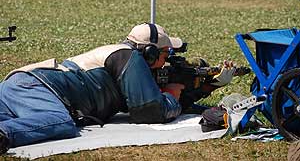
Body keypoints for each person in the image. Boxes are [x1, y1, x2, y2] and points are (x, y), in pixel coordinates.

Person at [0, 23, 236, 153]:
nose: (167, 60)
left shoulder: (123, 55)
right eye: (166, 54)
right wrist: (172, 97)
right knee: (60, 122)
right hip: (40, 88)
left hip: (20, 85)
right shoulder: (129, 58)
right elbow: (149, 112)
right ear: (150, 53)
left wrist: (207, 87)